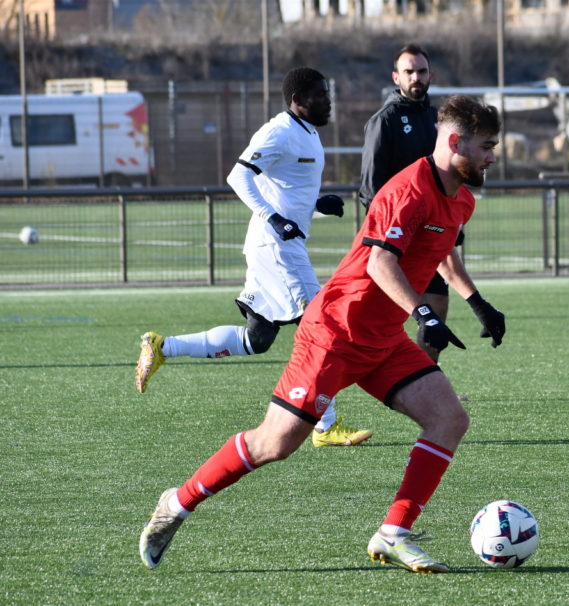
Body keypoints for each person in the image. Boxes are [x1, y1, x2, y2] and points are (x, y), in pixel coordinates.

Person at [139, 94, 506, 574]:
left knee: (449, 419)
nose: (492, 156)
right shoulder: (407, 189)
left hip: (382, 338)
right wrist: (423, 312)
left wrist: (477, 302)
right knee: (276, 444)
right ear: (455, 142)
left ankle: (393, 534)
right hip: (335, 331)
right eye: (486, 146)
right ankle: (178, 502)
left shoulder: (461, 200)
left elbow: (441, 251)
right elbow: (380, 262)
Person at [134, 67, 371, 447]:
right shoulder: (278, 131)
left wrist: (316, 203)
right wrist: (273, 218)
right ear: (297, 100)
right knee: (322, 324)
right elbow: (238, 176)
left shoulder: (307, 132)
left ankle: (163, 346)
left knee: (257, 339)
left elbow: (282, 184)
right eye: (320, 95)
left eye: (327, 93)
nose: (328, 101)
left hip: (277, 246)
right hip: (276, 247)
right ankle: (325, 427)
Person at [359, 43, 473, 367]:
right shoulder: (385, 121)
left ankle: (427, 377)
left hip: (431, 233)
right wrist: (390, 235)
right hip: (397, 238)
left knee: (437, 306)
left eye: (421, 71)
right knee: (383, 319)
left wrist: (450, 221)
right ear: (396, 77)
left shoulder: (439, 120)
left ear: (430, 75)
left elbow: (448, 176)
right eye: (408, 72)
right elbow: (371, 189)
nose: (416, 77)